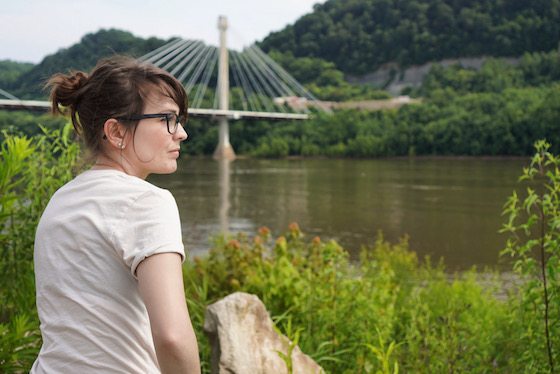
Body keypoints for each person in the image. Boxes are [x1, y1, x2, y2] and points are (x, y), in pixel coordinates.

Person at [31, 56, 201, 374]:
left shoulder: (61, 200)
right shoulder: (146, 201)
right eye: (167, 119)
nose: (181, 134)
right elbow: (173, 338)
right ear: (116, 131)